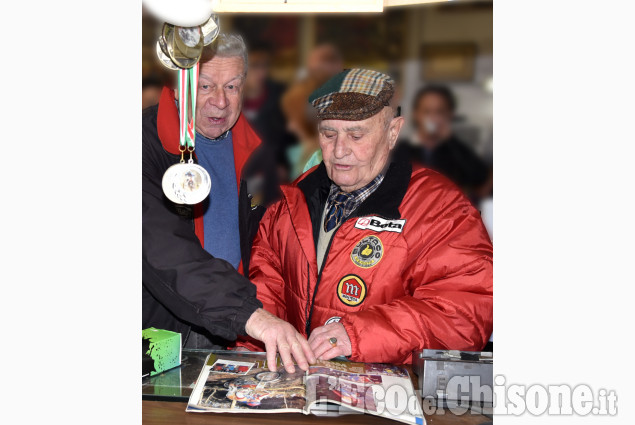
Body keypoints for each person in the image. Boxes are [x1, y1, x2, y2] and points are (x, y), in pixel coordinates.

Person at [238, 69, 492, 364]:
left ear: (393, 132)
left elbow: (467, 311)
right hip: (300, 390)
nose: (339, 150)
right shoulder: (290, 202)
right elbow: (267, 286)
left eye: (356, 135)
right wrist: (251, 346)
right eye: (328, 134)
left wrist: (357, 335)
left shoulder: (440, 209)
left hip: (386, 398)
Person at [142, 33, 315, 372]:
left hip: (240, 325)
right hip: (165, 327)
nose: (220, 102)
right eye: (205, 87)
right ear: (179, 87)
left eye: (232, 87)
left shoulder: (258, 149)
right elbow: (163, 250)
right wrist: (248, 314)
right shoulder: (143, 144)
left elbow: (273, 243)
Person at [399, 84, 490, 203]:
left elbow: (480, 179)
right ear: (416, 115)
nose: (433, 117)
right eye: (427, 112)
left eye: (439, 112)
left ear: (449, 115)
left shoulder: (456, 149)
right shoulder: (401, 150)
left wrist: (451, 141)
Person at [242, 41, 296, 181]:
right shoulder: (229, 98)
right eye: (255, 66)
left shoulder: (282, 96)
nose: (261, 72)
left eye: (265, 65)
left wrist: (283, 164)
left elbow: (291, 137)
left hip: (275, 175)